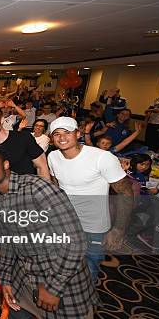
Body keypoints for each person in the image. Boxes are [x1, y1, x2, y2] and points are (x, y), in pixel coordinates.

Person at [0, 148, 99, 319]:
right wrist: (5, 278)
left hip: (60, 277)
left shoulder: (37, 189)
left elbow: (75, 241)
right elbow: (6, 242)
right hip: (23, 275)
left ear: (6, 165)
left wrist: (54, 287)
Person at [47, 117, 134, 282]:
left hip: (94, 228)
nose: (62, 137)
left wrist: (119, 229)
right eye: (56, 134)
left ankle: (86, 306)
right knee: (61, 269)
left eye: (67, 132)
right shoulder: (53, 157)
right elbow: (57, 187)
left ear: (78, 133)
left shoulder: (102, 157)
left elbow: (126, 193)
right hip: (65, 225)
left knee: (88, 272)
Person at [0, 106, 50, 181]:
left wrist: (45, 191)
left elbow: (42, 166)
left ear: (2, 120)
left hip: (28, 189)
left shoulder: (23, 137)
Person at [129, 153, 159, 248]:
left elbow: (145, 185)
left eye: (147, 164)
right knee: (158, 209)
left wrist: (153, 189)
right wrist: (149, 189)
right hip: (135, 199)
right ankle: (146, 232)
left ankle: (153, 229)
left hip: (145, 197)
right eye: (141, 164)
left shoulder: (143, 174)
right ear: (134, 163)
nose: (144, 167)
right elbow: (135, 186)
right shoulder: (130, 173)